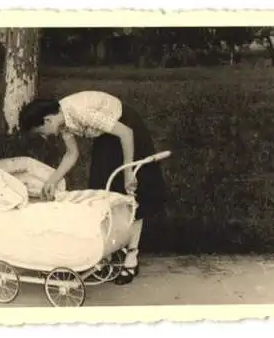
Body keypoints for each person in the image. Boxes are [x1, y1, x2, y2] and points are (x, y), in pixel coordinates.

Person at [18, 90, 168, 285]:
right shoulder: (62, 121)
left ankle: (131, 257)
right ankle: (110, 248)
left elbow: (125, 133)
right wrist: (52, 180)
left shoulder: (79, 112)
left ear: (47, 120)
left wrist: (128, 170)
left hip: (127, 128)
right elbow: (72, 154)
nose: (45, 137)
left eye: (41, 133)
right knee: (101, 189)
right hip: (107, 134)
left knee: (131, 191)